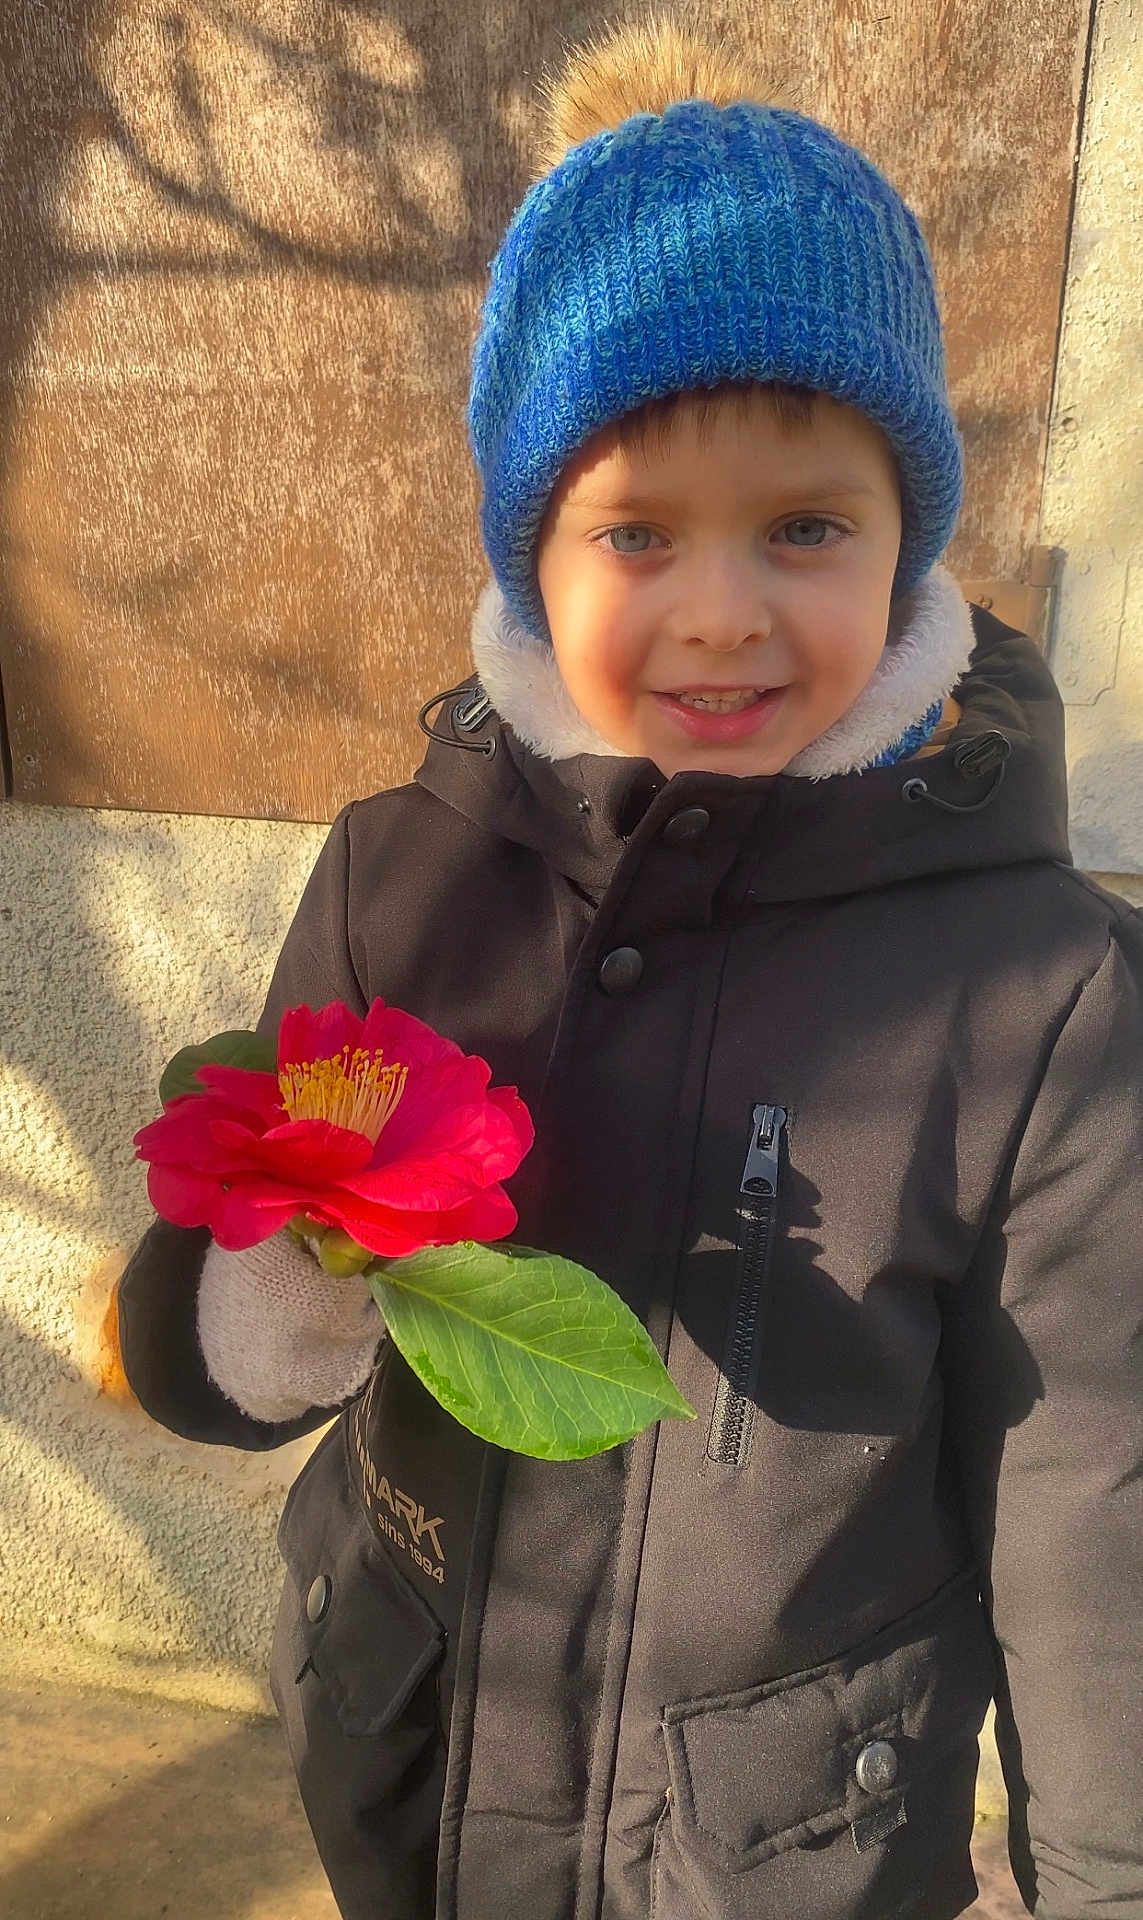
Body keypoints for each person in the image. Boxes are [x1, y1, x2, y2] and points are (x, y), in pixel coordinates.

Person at [116, 17, 1143, 1920]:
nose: (727, 609)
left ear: (912, 541)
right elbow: (216, 1322)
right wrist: (289, 1294)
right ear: (531, 552)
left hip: (777, 1850)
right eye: (637, 532)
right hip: (412, 1762)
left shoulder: (1039, 997)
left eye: (808, 526)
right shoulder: (399, 876)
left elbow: (1096, 1501)